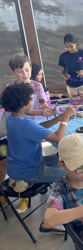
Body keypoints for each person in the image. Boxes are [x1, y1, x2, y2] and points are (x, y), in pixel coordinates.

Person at [1, 83, 75, 213]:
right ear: (24, 104)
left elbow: (38, 127)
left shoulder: (12, 119)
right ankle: (60, 212)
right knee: (72, 176)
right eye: (30, 99)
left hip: (19, 167)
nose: (32, 101)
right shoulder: (26, 124)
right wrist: (66, 117)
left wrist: (58, 118)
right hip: (30, 171)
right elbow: (58, 137)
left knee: (61, 159)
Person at [0, 54, 55, 209]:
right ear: (13, 72)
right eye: (20, 71)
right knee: (4, 160)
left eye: (26, 70)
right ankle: (4, 193)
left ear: (31, 69)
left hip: (25, 126)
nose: (24, 74)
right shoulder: (11, 87)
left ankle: (26, 193)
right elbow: (16, 110)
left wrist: (47, 110)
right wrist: (39, 113)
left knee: (32, 152)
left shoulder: (36, 85)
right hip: (8, 128)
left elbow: (43, 103)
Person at [58, 33, 83, 99]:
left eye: (71, 46)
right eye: (67, 47)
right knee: (74, 104)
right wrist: (64, 75)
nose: (69, 49)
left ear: (76, 44)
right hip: (71, 85)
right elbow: (63, 71)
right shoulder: (63, 56)